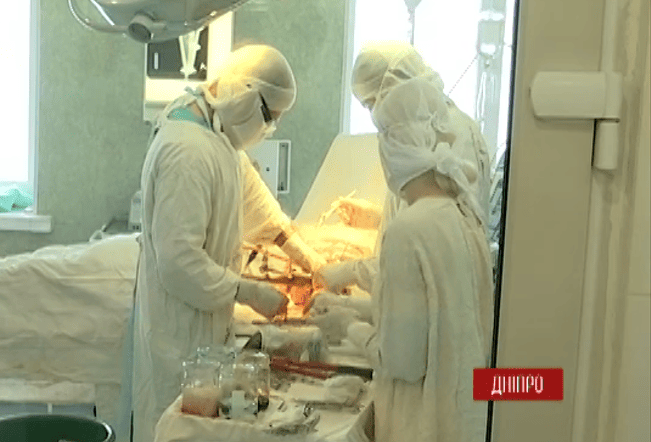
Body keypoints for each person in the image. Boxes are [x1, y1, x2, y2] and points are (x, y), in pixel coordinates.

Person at [129, 44, 325, 442]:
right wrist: (246, 291)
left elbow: (263, 213)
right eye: (269, 117)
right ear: (245, 95)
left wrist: (314, 263)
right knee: (180, 428)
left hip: (206, 335)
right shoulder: (187, 151)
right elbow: (178, 262)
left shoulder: (218, 135)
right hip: (180, 339)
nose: (269, 129)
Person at [354, 76, 493, 442]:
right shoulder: (464, 215)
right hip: (462, 420)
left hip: (420, 426)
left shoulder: (407, 230)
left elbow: (402, 361)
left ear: (392, 148)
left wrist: (351, 330)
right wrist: (356, 308)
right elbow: (438, 315)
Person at [315, 41, 492, 296]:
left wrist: (353, 273)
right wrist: (377, 219)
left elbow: (431, 254)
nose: (377, 117)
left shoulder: (447, 135)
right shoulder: (429, 127)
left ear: (397, 89)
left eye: (373, 104)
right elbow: (425, 208)